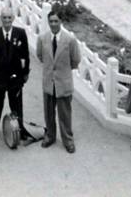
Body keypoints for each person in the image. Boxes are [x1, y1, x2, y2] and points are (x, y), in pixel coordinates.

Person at [36, 8, 81, 153]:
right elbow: (40, 56)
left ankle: (68, 140)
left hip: (63, 83)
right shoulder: (42, 38)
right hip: (49, 82)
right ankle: (50, 136)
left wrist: (63, 72)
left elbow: (75, 60)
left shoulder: (70, 40)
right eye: (51, 21)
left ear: (61, 22)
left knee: (65, 114)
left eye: (56, 21)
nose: (53, 24)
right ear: (48, 22)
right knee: (48, 112)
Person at [0, 7, 30, 142]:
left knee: (16, 105)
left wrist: (25, 72)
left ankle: (19, 129)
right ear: (1, 18)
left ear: (13, 18)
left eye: (9, 18)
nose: (7, 20)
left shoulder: (20, 33)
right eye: (4, 17)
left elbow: (25, 55)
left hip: (15, 78)